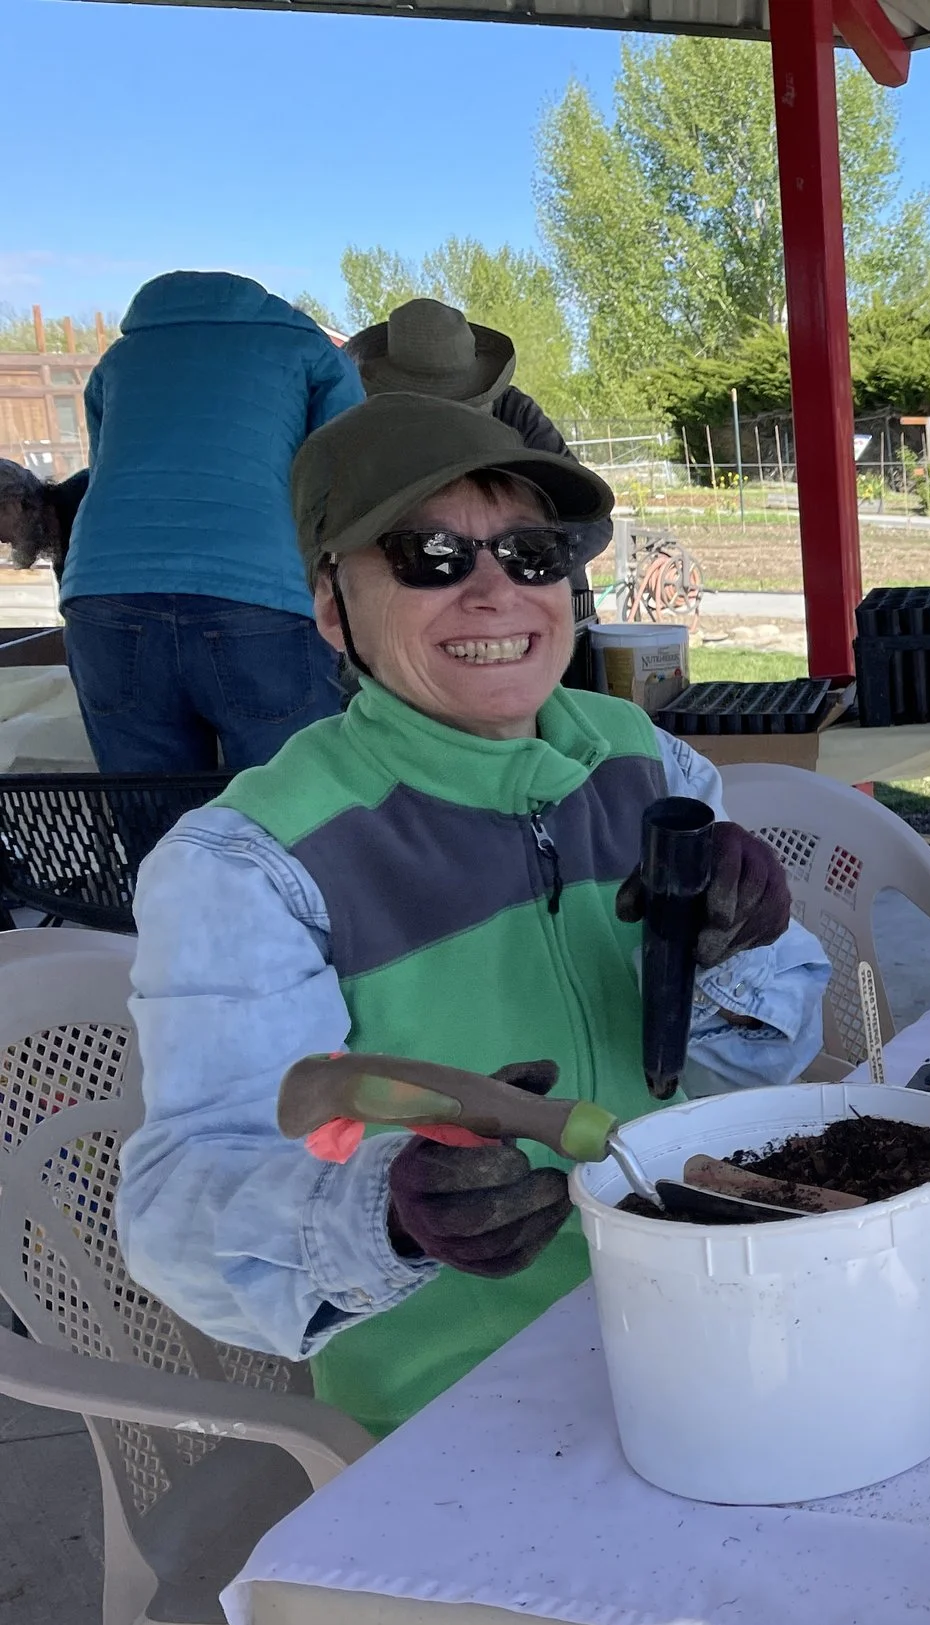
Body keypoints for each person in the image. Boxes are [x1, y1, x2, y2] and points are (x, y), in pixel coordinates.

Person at [119, 393, 833, 1438]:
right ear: (331, 607)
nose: (497, 593)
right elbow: (177, 1206)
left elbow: (748, 1079)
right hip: (468, 1400)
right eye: (431, 556)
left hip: (716, 1309)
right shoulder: (254, 862)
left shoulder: (644, 761)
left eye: (533, 554)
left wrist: (738, 955)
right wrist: (390, 1216)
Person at [57, 271, 365, 772]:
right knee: (289, 807)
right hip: (259, 597)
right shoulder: (305, 350)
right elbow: (347, 475)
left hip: (104, 597)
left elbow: (103, 470)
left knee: (155, 824)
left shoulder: (121, 359)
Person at [346, 298, 600, 637]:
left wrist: (519, 562)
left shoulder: (515, 412)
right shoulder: (364, 435)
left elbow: (593, 524)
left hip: (542, 612)